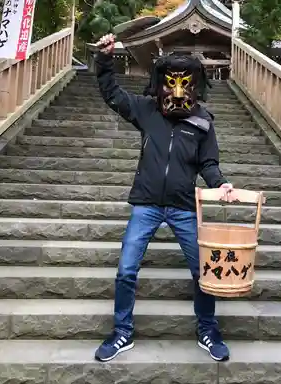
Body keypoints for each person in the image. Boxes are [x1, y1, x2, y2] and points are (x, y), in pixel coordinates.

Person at [94, 33, 233, 363]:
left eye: (184, 84)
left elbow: (209, 164)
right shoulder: (146, 110)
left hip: (184, 207)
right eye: (170, 84)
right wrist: (104, 60)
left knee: (203, 272)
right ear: (160, 83)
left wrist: (222, 184)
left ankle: (207, 328)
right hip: (146, 205)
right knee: (126, 270)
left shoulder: (202, 121)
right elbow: (113, 95)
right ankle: (122, 331)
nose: (177, 91)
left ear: (196, 84)